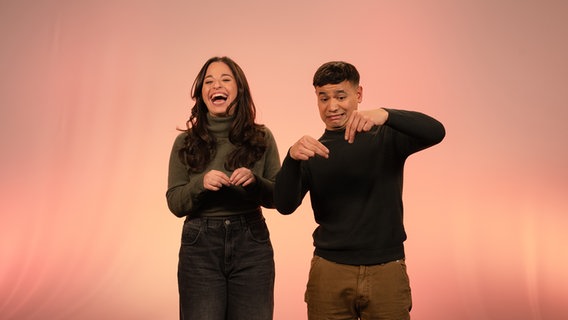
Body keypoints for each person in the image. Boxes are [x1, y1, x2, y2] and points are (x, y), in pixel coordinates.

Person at [274, 61, 445, 320]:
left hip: (386, 269)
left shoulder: (386, 136)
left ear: (359, 95)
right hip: (329, 271)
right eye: (323, 98)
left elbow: (436, 131)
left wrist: (387, 114)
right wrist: (290, 158)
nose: (332, 106)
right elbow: (284, 206)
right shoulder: (311, 151)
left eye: (340, 96)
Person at [166, 56, 280, 320]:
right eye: (209, 81)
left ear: (239, 89)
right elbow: (175, 203)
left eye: (225, 79)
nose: (216, 85)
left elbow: (278, 198)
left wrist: (255, 183)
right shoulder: (185, 142)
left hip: (252, 243)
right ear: (201, 94)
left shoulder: (262, 137)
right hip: (200, 246)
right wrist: (200, 184)